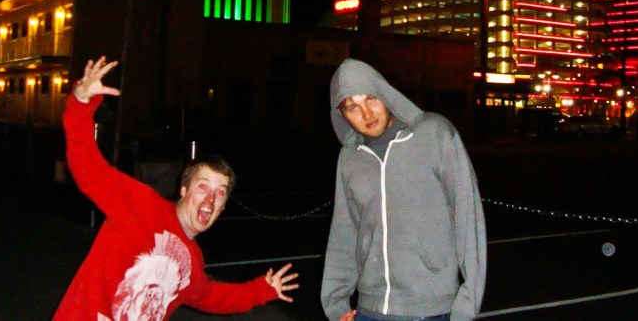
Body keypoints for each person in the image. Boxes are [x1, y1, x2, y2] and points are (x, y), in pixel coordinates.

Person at [54, 56, 299, 320]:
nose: (210, 198)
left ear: (222, 207)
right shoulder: (143, 205)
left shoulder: (192, 262)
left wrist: (262, 290)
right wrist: (81, 103)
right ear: (183, 189)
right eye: (203, 186)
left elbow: (212, 297)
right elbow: (87, 168)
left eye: (220, 193)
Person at [321, 58, 487, 321]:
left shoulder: (435, 134)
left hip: (431, 311)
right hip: (368, 311)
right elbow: (344, 231)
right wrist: (336, 304)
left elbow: (469, 221)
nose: (367, 114)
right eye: (352, 107)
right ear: (341, 115)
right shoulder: (350, 157)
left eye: (371, 98)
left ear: (384, 92)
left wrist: (466, 307)